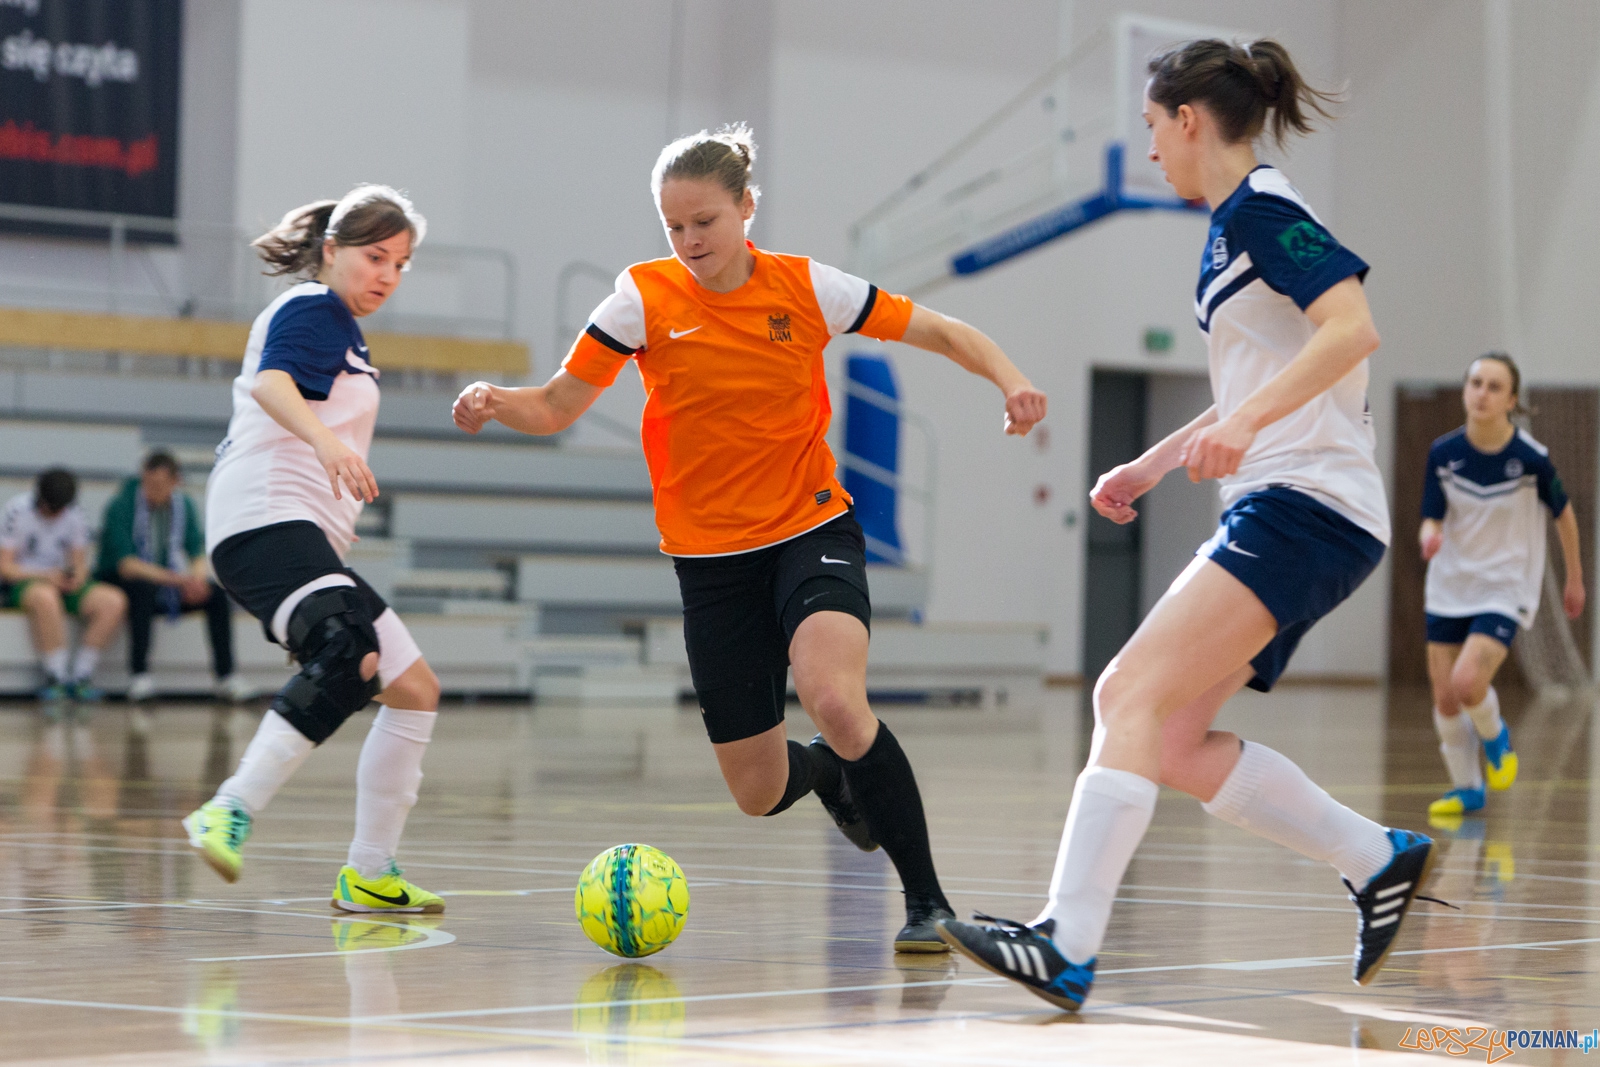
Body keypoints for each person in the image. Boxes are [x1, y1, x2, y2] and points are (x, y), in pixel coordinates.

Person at [453, 124, 1047, 951]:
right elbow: (556, 404)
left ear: (746, 209)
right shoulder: (641, 300)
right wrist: (495, 400)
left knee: (835, 697)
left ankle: (928, 903)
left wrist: (1012, 381)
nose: (690, 240)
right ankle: (830, 770)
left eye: (705, 221)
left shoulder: (808, 288)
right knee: (758, 790)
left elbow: (942, 330)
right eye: (674, 226)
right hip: (710, 565)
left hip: (810, 528)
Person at [938, 38, 1437, 1009]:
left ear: (1188, 120)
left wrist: (1246, 426)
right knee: (1167, 737)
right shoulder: (1224, 232)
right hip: (1293, 507)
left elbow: (1352, 328)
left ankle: (1065, 942)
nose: (1149, 147)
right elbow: (1253, 383)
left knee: (1123, 689)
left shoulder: (1263, 210)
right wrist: (1153, 463)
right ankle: (1375, 856)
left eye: (1151, 126)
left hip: (1308, 505)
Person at [181, 185, 446, 915]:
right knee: (348, 652)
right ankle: (228, 809)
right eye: (374, 256)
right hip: (264, 519)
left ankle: (369, 872)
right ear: (331, 251)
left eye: (400, 263)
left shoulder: (342, 328)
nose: (387, 275)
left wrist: (332, 508)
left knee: (414, 689)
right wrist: (328, 447)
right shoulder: (314, 306)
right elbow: (272, 385)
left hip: (292, 526)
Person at [1420, 353, 1583, 819]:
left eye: (1494, 386)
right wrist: (1429, 536)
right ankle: (1467, 789)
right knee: (1445, 697)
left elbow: (1564, 515)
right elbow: (1431, 517)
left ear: (1511, 400)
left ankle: (1496, 737)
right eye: (1475, 383)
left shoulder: (1531, 459)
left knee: (1467, 682)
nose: (1482, 393)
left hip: (1504, 588)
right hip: (1449, 586)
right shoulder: (1443, 453)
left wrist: (1574, 578)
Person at [96, 450, 253, 703]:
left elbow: (195, 550)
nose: (152, 490)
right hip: (120, 581)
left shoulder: (183, 505)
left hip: (163, 580)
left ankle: (226, 677)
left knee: (215, 595)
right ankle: (139, 676)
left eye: (159, 485)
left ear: (175, 482)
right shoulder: (122, 505)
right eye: (148, 483)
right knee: (142, 589)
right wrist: (178, 580)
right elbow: (127, 565)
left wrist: (196, 580)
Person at [0, 468, 127, 702]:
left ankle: (81, 675)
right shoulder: (17, 510)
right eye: (50, 508)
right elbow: (5, 567)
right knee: (46, 596)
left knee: (113, 601)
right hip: (26, 581)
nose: (55, 514)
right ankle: (56, 676)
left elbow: (79, 563)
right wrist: (46, 575)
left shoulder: (75, 514)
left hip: (62, 581)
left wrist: (76, 578)